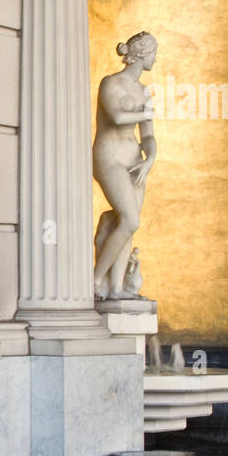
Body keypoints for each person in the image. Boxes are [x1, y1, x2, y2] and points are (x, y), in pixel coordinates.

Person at [93, 31, 157, 300]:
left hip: (133, 160)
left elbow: (149, 135)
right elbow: (118, 116)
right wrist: (148, 110)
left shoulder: (144, 91)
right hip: (110, 157)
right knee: (130, 219)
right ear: (143, 54)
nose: (156, 58)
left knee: (128, 223)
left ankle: (117, 288)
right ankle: (95, 280)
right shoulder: (111, 83)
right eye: (154, 52)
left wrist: (150, 158)